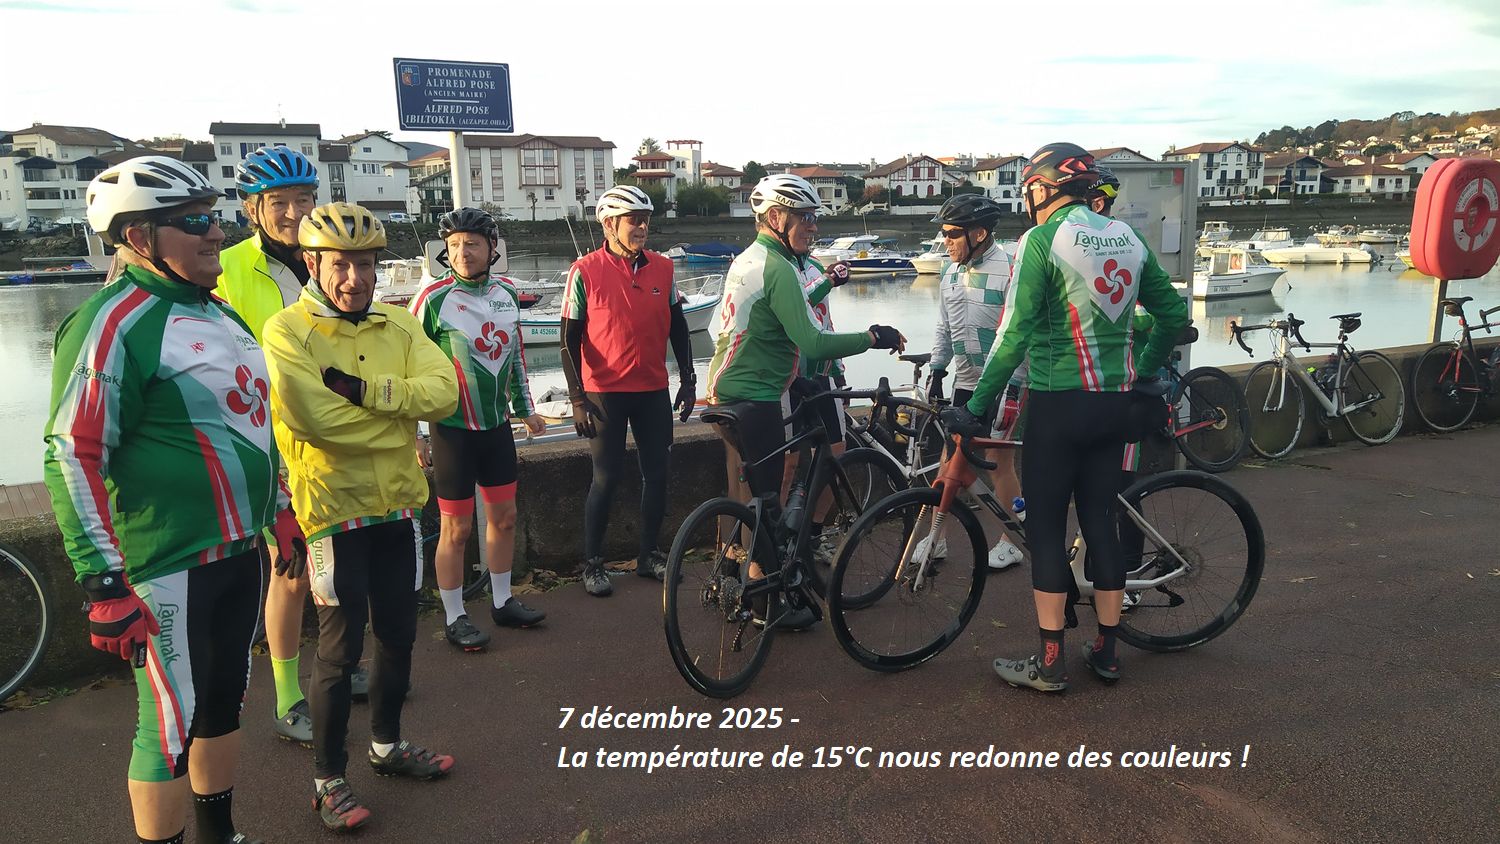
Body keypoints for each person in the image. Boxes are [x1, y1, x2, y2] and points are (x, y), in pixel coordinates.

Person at [46, 155, 300, 844]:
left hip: (237, 550)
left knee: (222, 705)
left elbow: (252, 424)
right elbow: (72, 452)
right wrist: (103, 583)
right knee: (167, 724)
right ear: (138, 238)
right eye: (193, 222)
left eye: (213, 216)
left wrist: (278, 509)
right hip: (166, 562)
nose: (215, 232)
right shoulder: (113, 322)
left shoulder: (216, 311)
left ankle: (220, 834)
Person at [950, 143, 1188, 692]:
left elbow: (1013, 334)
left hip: (1058, 405)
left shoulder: (1040, 240)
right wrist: (1145, 371)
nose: (1027, 200)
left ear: (1043, 188)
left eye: (1029, 189)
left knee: (1047, 530)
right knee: (1101, 521)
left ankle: (1051, 662)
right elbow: (1172, 314)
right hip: (1114, 406)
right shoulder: (1127, 237)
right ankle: (1107, 653)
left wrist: (976, 407)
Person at [260, 202, 459, 831]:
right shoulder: (287, 331)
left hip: (397, 504)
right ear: (312, 263)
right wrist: (399, 421)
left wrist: (367, 392)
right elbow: (315, 420)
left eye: (366, 264)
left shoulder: (398, 322)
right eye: (340, 265)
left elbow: (445, 392)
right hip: (331, 511)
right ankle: (328, 780)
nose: (355, 279)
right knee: (340, 651)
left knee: (399, 635)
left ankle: (387, 746)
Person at [704, 173, 906, 628]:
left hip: (731, 385)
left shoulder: (753, 258)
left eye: (815, 217)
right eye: (805, 218)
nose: (814, 226)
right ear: (776, 218)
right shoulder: (777, 268)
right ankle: (763, 605)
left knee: (760, 495)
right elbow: (812, 341)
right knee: (768, 504)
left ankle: (736, 573)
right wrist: (872, 336)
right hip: (755, 393)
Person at [216, 145, 366, 745]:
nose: (294, 212)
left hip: (335, 435)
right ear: (251, 209)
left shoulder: (330, 258)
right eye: (278, 202)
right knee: (293, 570)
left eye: (304, 199)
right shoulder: (226, 268)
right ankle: (285, 695)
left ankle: (340, 662)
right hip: (265, 441)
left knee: (341, 560)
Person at [409, 207, 547, 651]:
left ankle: (503, 601)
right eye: (453, 246)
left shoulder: (507, 294)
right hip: (451, 429)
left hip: (495, 427)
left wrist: (526, 409)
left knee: (505, 519)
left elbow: (516, 356)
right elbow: (408, 365)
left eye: (471, 244)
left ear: (492, 249)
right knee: (458, 529)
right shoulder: (433, 298)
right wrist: (416, 432)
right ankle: (455, 616)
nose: (462, 252)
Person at [560, 185, 696, 597]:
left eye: (646, 220)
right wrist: (577, 399)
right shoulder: (584, 270)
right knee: (606, 477)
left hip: (652, 388)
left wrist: (689, 379)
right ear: (609, 225)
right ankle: (593, 563)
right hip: (604, 393)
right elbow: (568, 339)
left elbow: (678, 327)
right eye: (634, 220)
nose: (642, 227)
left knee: (658, 475)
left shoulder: (663, 269)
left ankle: (648, 555)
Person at [921, 193, 1025, 570]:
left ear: (979, 233)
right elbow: (944, 327)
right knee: (950, 458)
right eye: (944, 233)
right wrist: (937, 368)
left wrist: (1015, 382)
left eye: (952, 233)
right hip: (965, 377)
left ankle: (1012, 540)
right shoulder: (950, 272)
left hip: (1006, 379)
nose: (945, 241)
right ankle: (937, 538)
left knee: (999, 461)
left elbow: (1019, 331)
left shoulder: (1010, 268)